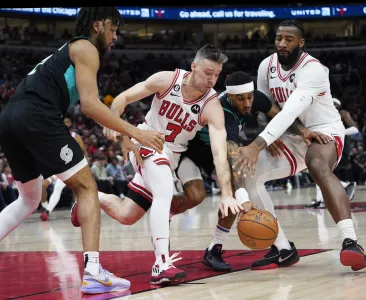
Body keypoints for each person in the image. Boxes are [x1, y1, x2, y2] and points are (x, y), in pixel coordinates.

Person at [0, 7, 165, 294]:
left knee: (28, 200)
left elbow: (91, 108)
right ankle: (93, 272)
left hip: (10, 116)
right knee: (87, 187)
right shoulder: (87, 48)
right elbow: (89, 105)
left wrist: (123, 133)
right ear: (99, 25)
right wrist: (136, 131)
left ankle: (93, 271)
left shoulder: (67, 50)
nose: (116, 36)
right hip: (37, 114)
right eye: (113, 29)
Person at [95, 71, 318, 272]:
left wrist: (301, 131)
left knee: (129, 214)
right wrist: (240, 195)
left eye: (249, 97)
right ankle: (166, 217)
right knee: (203, 195)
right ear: (229, 97)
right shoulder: (223, 111)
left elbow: (278, 114)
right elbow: (230, 155)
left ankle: (215, 248)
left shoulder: (254, 97)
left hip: (212, 154)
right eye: (241, 99)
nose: (247, 102)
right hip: (189, 153)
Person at [76, 44, 243, 285]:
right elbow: (122, 99)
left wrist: (227, 194)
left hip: (173, 155)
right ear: (193, 67)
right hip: (147, 141)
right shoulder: (167, 79)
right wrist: (117, 129)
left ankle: (89, 199)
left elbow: (219, 154)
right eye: (207, 72)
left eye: (216, 74)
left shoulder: (212, 105)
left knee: (127, 215)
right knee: (164, 188)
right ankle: (161, 265)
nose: (211, 79)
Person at [232, 19, 366, 272]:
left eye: (288, 39)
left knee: (317, 164)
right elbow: (267, 107)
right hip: (290, 135)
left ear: (300, 43)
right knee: (248, 173)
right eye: (278, 38)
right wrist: (269, 135)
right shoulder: (266, 66)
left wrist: (259, 143)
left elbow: (290, 110)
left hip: (323, 131)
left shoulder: (313, 70)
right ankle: (282, 248)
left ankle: (351, 242)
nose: (281, 43)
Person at [306, 98, 358, 208]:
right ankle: (319, 199)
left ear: (338, 106)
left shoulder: (342, 114)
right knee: (318, 170)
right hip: (326, 146)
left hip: (341, 147)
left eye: (334, 104)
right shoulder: (323, 115)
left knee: (321, 171)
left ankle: (347, 185)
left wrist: (338, 131)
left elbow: (355, 129)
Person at [40, 114, 88, 221]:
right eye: (64, 122)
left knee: (58, 188)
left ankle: (47, 211)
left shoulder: (75, 136)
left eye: (68, 122)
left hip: (70, 168)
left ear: (71, 124)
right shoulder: (55, 135)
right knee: (42, 186)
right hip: (56, 167)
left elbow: (83, 152)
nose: (66, 124)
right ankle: (46, 207)